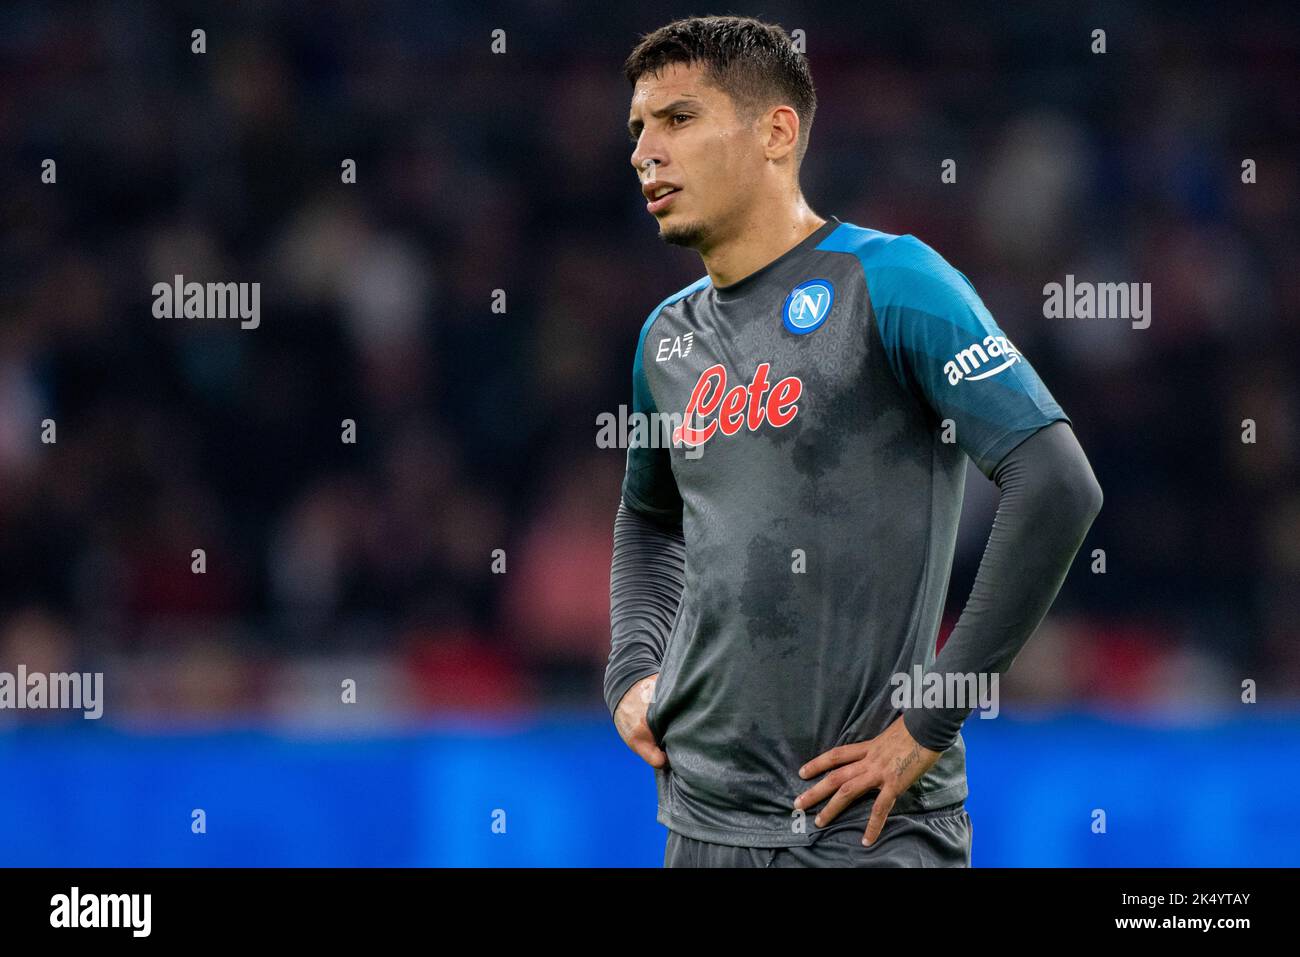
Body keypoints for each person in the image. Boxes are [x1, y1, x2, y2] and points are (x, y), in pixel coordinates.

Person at [604, 15, 1103, 867]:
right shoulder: (666, 339)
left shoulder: (894, 280)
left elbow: (1056, 481)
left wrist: (930, 719)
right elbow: (650, 518)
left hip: (866, 827)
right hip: (700, 827)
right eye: (638, 129)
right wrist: (630, 672)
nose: (645, 151)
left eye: (678, 119)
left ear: (777, 131)